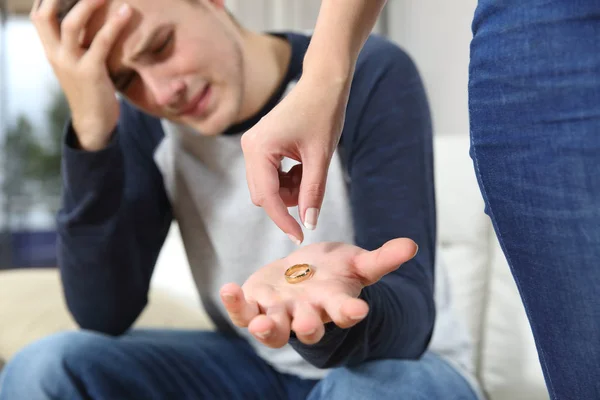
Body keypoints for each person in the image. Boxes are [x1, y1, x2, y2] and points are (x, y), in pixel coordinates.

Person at [0, 0, 485, 399]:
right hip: (251, 366)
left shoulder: (363, 73)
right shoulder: (147, 126)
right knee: (44, 367)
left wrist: (321, 318)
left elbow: (411, 316)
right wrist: (91, 133)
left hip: (399, 366)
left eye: (161, 46)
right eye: (126, 81)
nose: (163, 92)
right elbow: (103, 313)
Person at [240, 1, 600, 399]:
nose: (162, 91)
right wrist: (325, 75)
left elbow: (409, 304)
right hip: (533, 35)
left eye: (164, 45)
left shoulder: (379, 74)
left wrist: (324, 78)